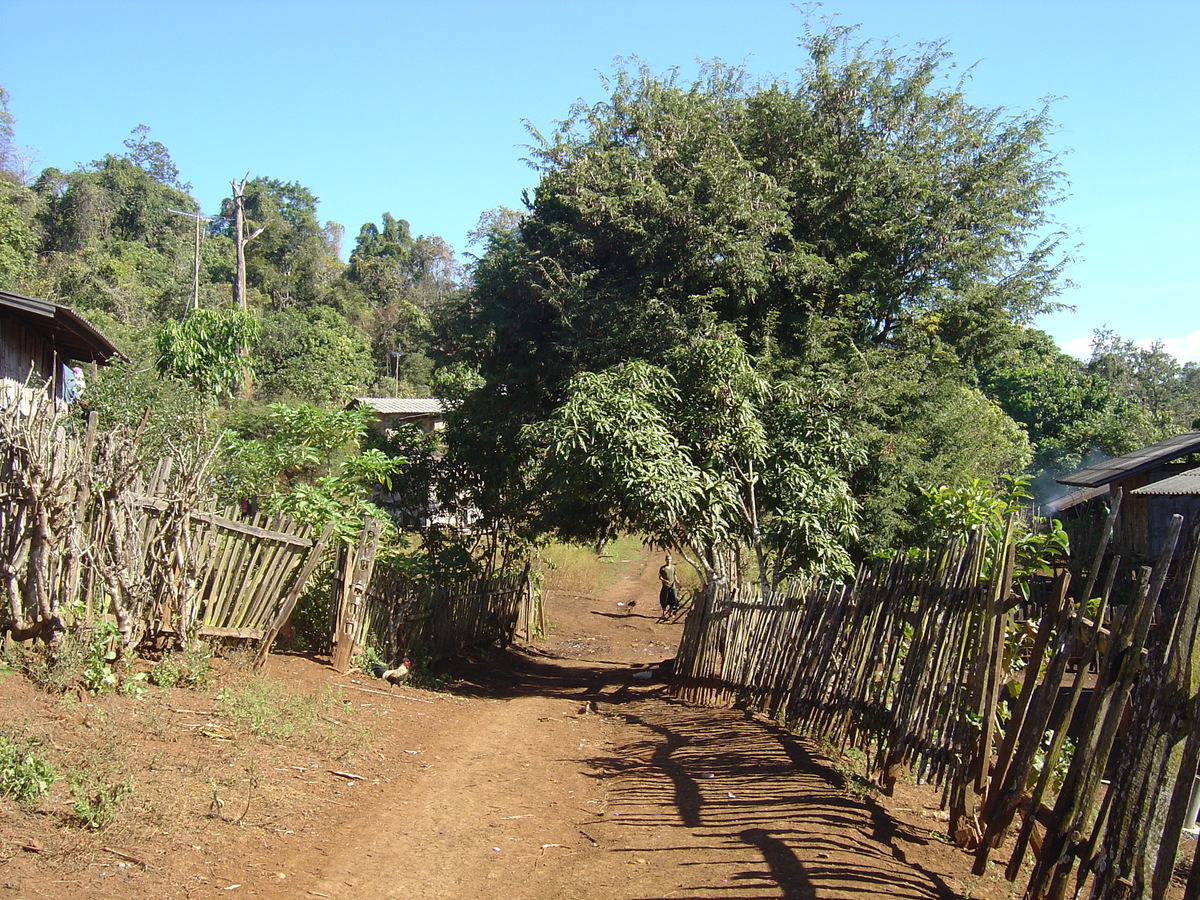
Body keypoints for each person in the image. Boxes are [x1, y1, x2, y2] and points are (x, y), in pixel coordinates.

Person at [658, 551, 680, 616]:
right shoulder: (662, 568)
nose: (668, 561)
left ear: (671, 560)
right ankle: (664, 614)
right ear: (665, 560)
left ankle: (670, 612)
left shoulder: (673, 567)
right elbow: (660, 577)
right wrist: (665, 581)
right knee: (664, 599)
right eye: (667, 559)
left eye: (669, 559)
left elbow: (674, 575)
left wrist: (676, 580)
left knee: (674, 599)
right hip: (666, 587)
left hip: (673, 586)